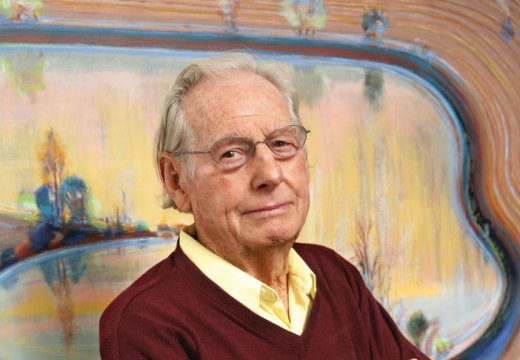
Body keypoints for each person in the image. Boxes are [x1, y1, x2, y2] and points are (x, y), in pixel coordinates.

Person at [99, 52, 428, 359]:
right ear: (176, 180)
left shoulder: (334, 274)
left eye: (282, 143)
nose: (270, 174)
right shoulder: (144, 325)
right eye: (231, 153)